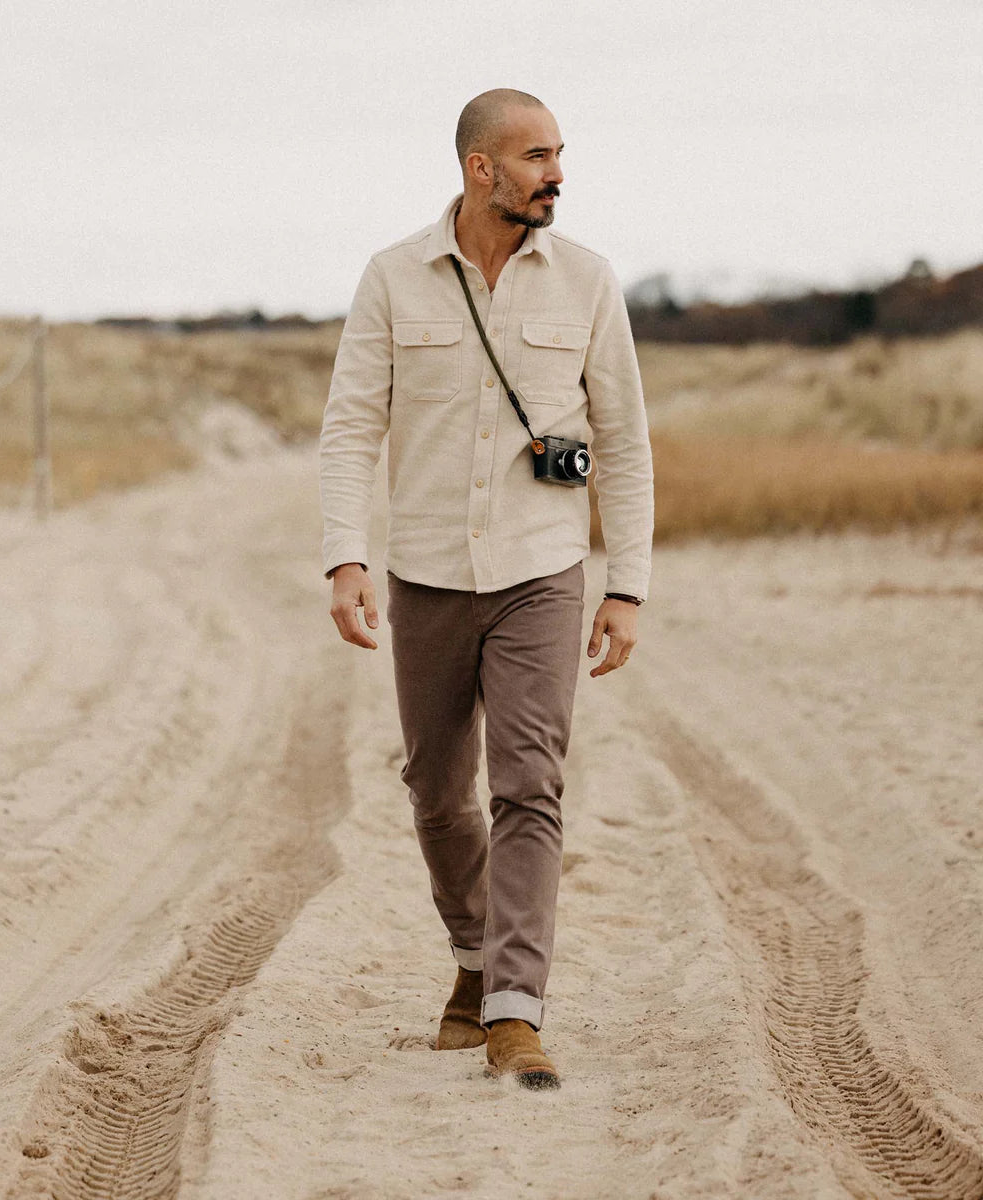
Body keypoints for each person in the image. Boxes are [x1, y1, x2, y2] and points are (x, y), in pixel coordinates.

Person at [318, 88, 654, 1090]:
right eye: (538, 155)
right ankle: (473, 952)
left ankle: (514, 1008)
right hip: (424, 574)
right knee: (432, 792)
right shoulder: (392, 278)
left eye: (560, 152)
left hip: (541, 574)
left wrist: (625, 582)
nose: (558, 171)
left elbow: (626, 442)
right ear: (480, 169)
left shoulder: (588, 281)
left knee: (528, 785)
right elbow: (350, 429)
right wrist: (346, 557)